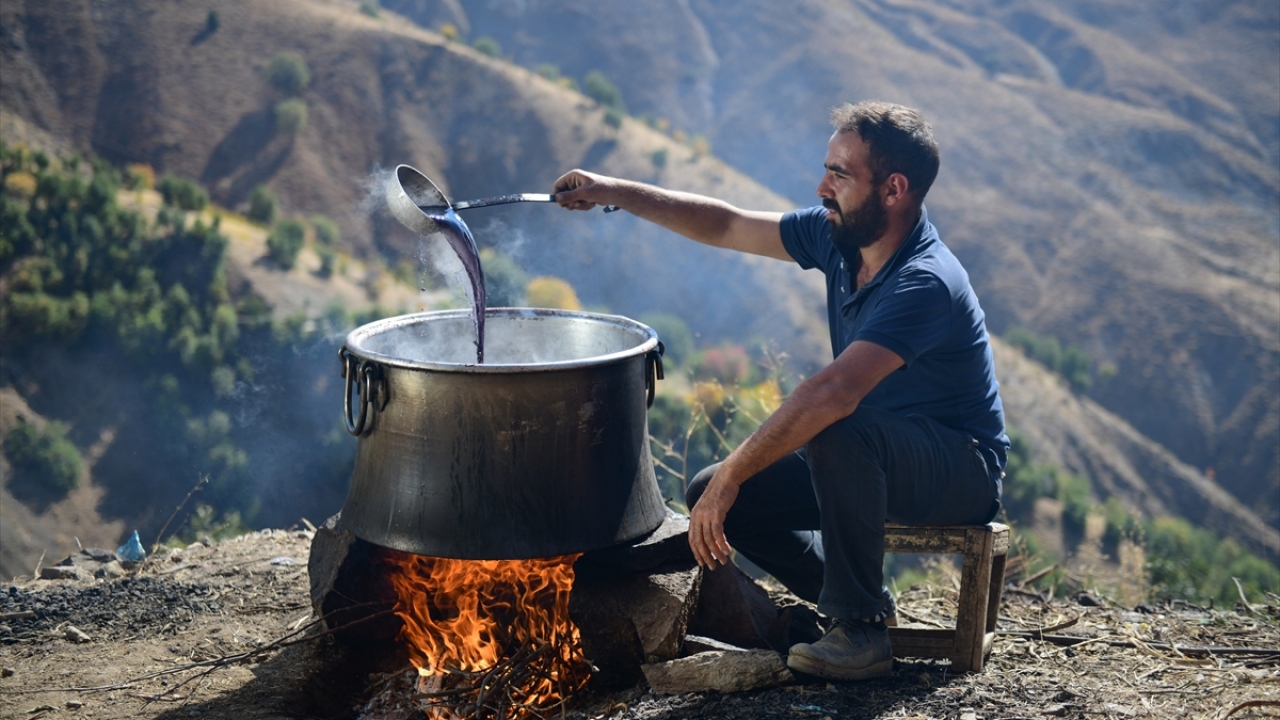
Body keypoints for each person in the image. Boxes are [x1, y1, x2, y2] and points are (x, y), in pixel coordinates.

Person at [553, 100, 1007, 681]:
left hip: (957, 469)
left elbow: (833, 393)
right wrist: (613, 189)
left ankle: (860, 632)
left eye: (840, 174)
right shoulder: (839, 239)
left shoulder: (925, 281)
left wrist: (733, 471)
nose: (822, 186)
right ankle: (857, 601)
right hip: (869, 455)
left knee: (831, 426)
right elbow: (725, 223)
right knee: (712, 492)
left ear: (893, 190)